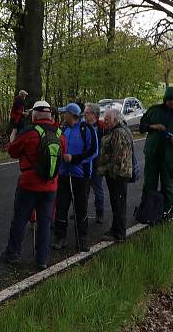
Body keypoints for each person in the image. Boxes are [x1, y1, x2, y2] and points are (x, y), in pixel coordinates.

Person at [0, 101, 66, 270]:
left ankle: (12, 253)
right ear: (50, 115)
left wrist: (13, 134)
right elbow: (62, 155)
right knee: (44, 223)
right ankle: (42, 260)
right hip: (51, 185)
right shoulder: (59, 134)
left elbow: (12, 151)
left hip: (29, 184)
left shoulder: (29, 132)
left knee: (20, 219)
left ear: (34, 115)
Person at [138, 87, 173, 219]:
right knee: (149, 184)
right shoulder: (154, 110)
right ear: (165, 99)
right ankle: (147, 210)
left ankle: (166, 210)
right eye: (168, 100)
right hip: (152, 154)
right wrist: (153, 126)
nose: (170, 102)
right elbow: (142, 126)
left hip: (170, 156)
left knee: (168, 185)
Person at [52, 103, 98, 252]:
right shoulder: (62, 129)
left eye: (64, 112)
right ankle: (60, 238)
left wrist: (74, 158)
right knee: (61, 206)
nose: (62, 115)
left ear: (71, 115)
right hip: (64, 174)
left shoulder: (87, 129)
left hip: (81, 175)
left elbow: (93, 151)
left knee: (81, 208)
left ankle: (82, 239)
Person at [95, 108, 133, 242]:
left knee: (119, 204)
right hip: (115, 174)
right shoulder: (117, 130)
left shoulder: (119, 133)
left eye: (107, 120)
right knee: (116, 203)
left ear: (115, 120)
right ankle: (115, 229)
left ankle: (119, 234)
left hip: (118, 175)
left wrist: (102, 168)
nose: (104, 122)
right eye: (104, 119)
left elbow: (118, 158)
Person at [84, 102, 105, 224]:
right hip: (85, 163)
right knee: (84, 190)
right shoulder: (83, 126)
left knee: (98, 189)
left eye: (87, 113)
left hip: (97, 164)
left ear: (94, 114)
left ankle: (100, 213)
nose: (84, 115)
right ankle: (82, 212)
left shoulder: (102, 127)